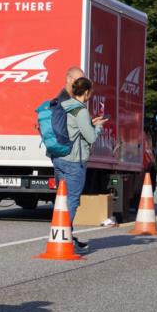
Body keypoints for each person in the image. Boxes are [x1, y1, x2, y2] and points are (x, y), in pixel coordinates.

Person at [53, 77, 106, 252]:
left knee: (62, 200)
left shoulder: (65, 105)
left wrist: (90, 124)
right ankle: (65, 239)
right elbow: (91, 138)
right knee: (72, 200)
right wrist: (98, 127)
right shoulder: (81, 110)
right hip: (74, 161)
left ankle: (63, 236)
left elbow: (73, 129)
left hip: (59, 158)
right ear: (86, 92)